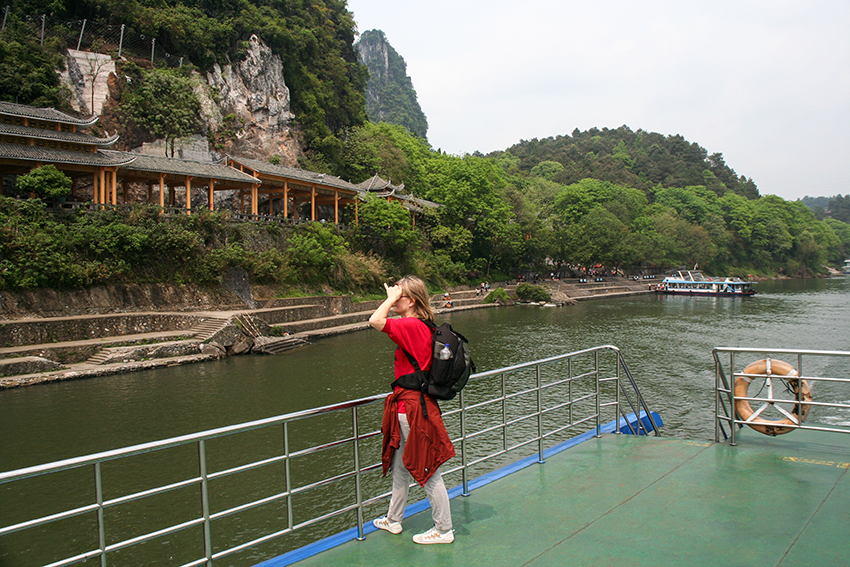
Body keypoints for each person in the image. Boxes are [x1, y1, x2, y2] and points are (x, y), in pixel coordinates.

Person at [369, 276, 456, 544]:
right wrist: (395, 297)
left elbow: (375, 321)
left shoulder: (412, 325)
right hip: (411, 405)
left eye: (400, 295)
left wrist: (388, 300)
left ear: (412, 301)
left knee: (428, 469)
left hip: (412, 408)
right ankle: (394, 520)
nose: (395, 298)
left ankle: (444, 530)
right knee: (401, 467)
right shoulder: (421, 326)